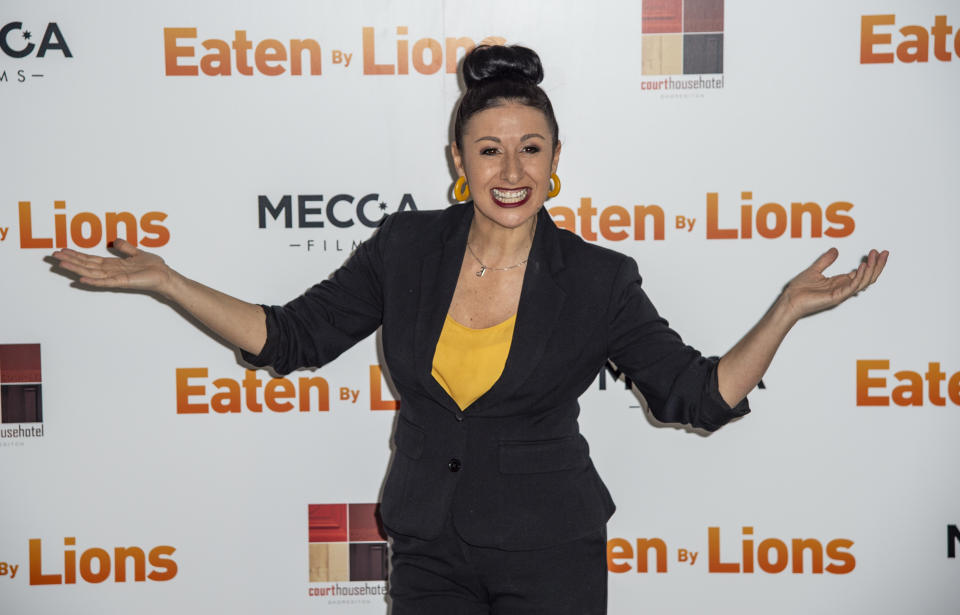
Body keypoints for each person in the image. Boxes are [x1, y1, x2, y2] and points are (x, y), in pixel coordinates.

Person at [51, 45, 887, 615]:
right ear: (458, 159)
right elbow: (291, 337)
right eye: (489, 150)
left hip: (551, 550)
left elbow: (693, 395)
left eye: (531, 148)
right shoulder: (407, 249)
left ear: (557, 157)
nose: (512, 172)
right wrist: (167, 281)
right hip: (428, 548)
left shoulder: (599, 278)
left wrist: (784, 310)